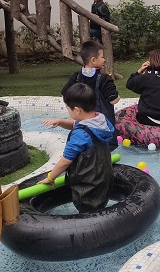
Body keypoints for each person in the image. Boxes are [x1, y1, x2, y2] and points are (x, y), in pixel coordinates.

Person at [40, 83, 115, 213]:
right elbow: (78, 124)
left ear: (77, 110)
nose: (68, 111)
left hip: (88, 188)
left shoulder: (80, 135)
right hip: (103, 179)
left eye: (68, 108)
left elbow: (65, 162)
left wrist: (50, 178)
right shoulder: (100, 120)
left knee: (88, 216)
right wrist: (60, 122)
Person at [62, 40, 120, 150]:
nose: (104, 60)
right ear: (93, 60)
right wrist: (118, 97)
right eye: (102, 57)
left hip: (83, 129)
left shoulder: (76, 77)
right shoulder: (104, 79)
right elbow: (113, 100)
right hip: (102, 129)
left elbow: (65, 94)